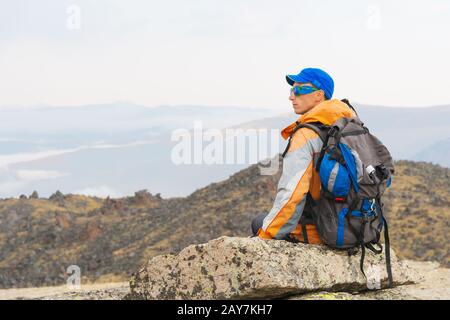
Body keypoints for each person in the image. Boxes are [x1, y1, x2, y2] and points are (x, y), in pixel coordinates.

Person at [251, 67, 356, 244]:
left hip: (319, 232)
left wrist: (263, 239)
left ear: (319, 95)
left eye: (299, 90)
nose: (292, 96)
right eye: (292, 90)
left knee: (259, 222)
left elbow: (292, 195)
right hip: (354, 227)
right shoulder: (350, 128)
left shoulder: (306, 135)